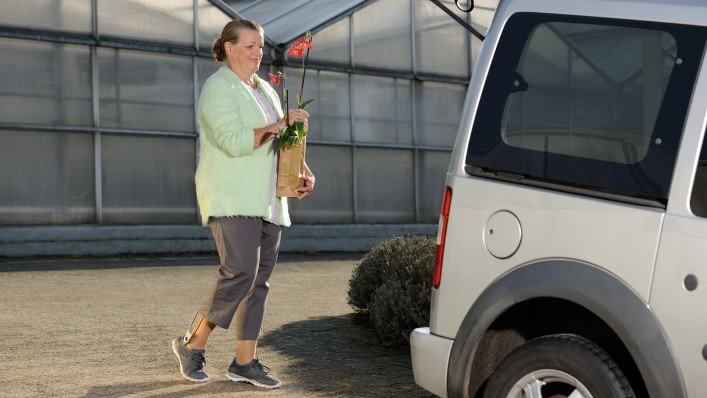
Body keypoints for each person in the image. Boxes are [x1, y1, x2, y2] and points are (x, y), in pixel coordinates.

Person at [171, 18, 315, 389]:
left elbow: (280, 141)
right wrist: (277, 125)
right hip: (232, 194)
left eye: (261, 47)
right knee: (240, 271)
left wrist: (302, 171)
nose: (258, 53)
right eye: (250, 46)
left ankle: (244, 363)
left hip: (269, 200)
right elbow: (235, 142)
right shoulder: (218, 88)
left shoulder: (264, 89)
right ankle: (193, 343)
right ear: (229, 47)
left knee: (258, 283)